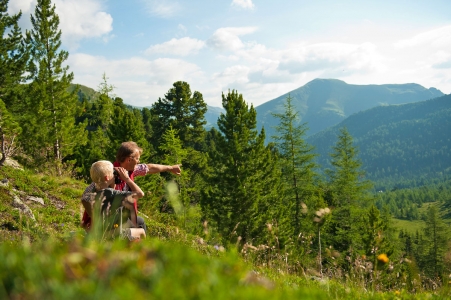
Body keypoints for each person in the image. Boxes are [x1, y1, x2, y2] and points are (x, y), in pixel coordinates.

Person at [81, 141, 181, 231]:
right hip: (111, 221)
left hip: (122, 217)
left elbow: (149, 168)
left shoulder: (131, 170)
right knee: (138, 226)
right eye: (137, 158)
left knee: (139, 222)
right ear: (129, 160)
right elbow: (92, 189)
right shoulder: (111, 173)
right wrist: (91, 219)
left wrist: (170, 167)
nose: (138, 161)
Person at [84, 160, 146, 240]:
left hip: (99, 232)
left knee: (139, 220)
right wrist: (127, 179)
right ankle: (143, 250)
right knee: (141, 231)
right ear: (107, 177)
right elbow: (140, 194)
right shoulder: (112, 194)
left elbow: (86, 197)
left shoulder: (92, 192)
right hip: (114, 236)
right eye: (113, 173)